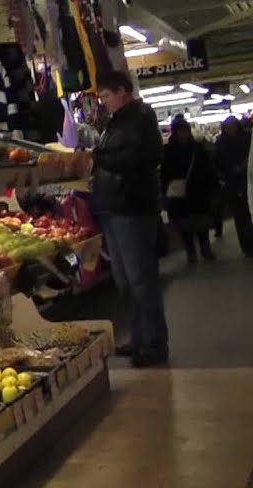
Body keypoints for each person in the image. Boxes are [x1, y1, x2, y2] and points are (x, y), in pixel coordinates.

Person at [92, 71, 167, 367]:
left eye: (105, 95)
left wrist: (98, 158)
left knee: (141, 278)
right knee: (124, 280)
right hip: (113, 208)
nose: (102, 101)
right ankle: (138, 337)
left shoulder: (140, 118)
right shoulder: (117, 122)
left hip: (131, 208)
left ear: (122, 91)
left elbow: (139, 158)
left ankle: (154, 342)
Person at [161, 115, 219, 262]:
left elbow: (207, 168)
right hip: (180, 194)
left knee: (201, 223)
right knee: (184, 225)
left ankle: (204, 247)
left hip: (197, 192)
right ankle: (191, 250)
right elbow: (165, 174)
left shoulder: (195, 149)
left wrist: (212, 186)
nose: (183, 134)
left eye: (185, 131)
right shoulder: (169, 151)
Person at [215, 116, 253, 256]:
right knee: (241, 217)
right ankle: (248, 246)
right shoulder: (222, 143)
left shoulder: (246, 139)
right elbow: (218, 163)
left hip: (245, 180)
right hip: (234, 184)